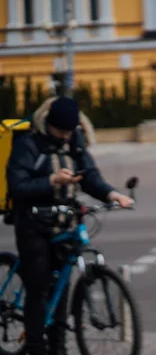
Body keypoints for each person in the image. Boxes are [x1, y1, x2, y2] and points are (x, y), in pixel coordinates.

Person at [6, 96, 134, 355]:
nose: (65, 136)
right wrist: (52, 180)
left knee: (61, 286)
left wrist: (113, 195)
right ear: (49, 124)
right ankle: (35, 347)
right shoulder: (27, 144)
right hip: (33, 224)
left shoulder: (74, 140)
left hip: (64, 222)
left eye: (69, 131)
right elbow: (17, 187)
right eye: (60, 131)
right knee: (39, 288)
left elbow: (89, 176)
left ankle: (59, 347)